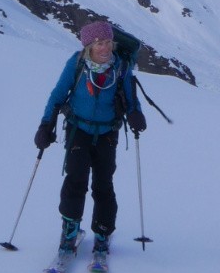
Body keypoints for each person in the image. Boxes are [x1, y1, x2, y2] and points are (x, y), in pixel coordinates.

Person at [34, 20, 145, 260]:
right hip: (78, 130)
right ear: (88, 46)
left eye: (107, 42)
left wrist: (136, 113)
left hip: (107, 133)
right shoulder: (76, 64)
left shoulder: (121, 68)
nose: (104, 48)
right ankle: (70, 230)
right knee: (76, 180)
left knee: (103, 185)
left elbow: (130, 97)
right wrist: (45, 124)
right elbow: (57, 94)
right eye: (98, 43)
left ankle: (103, 234)